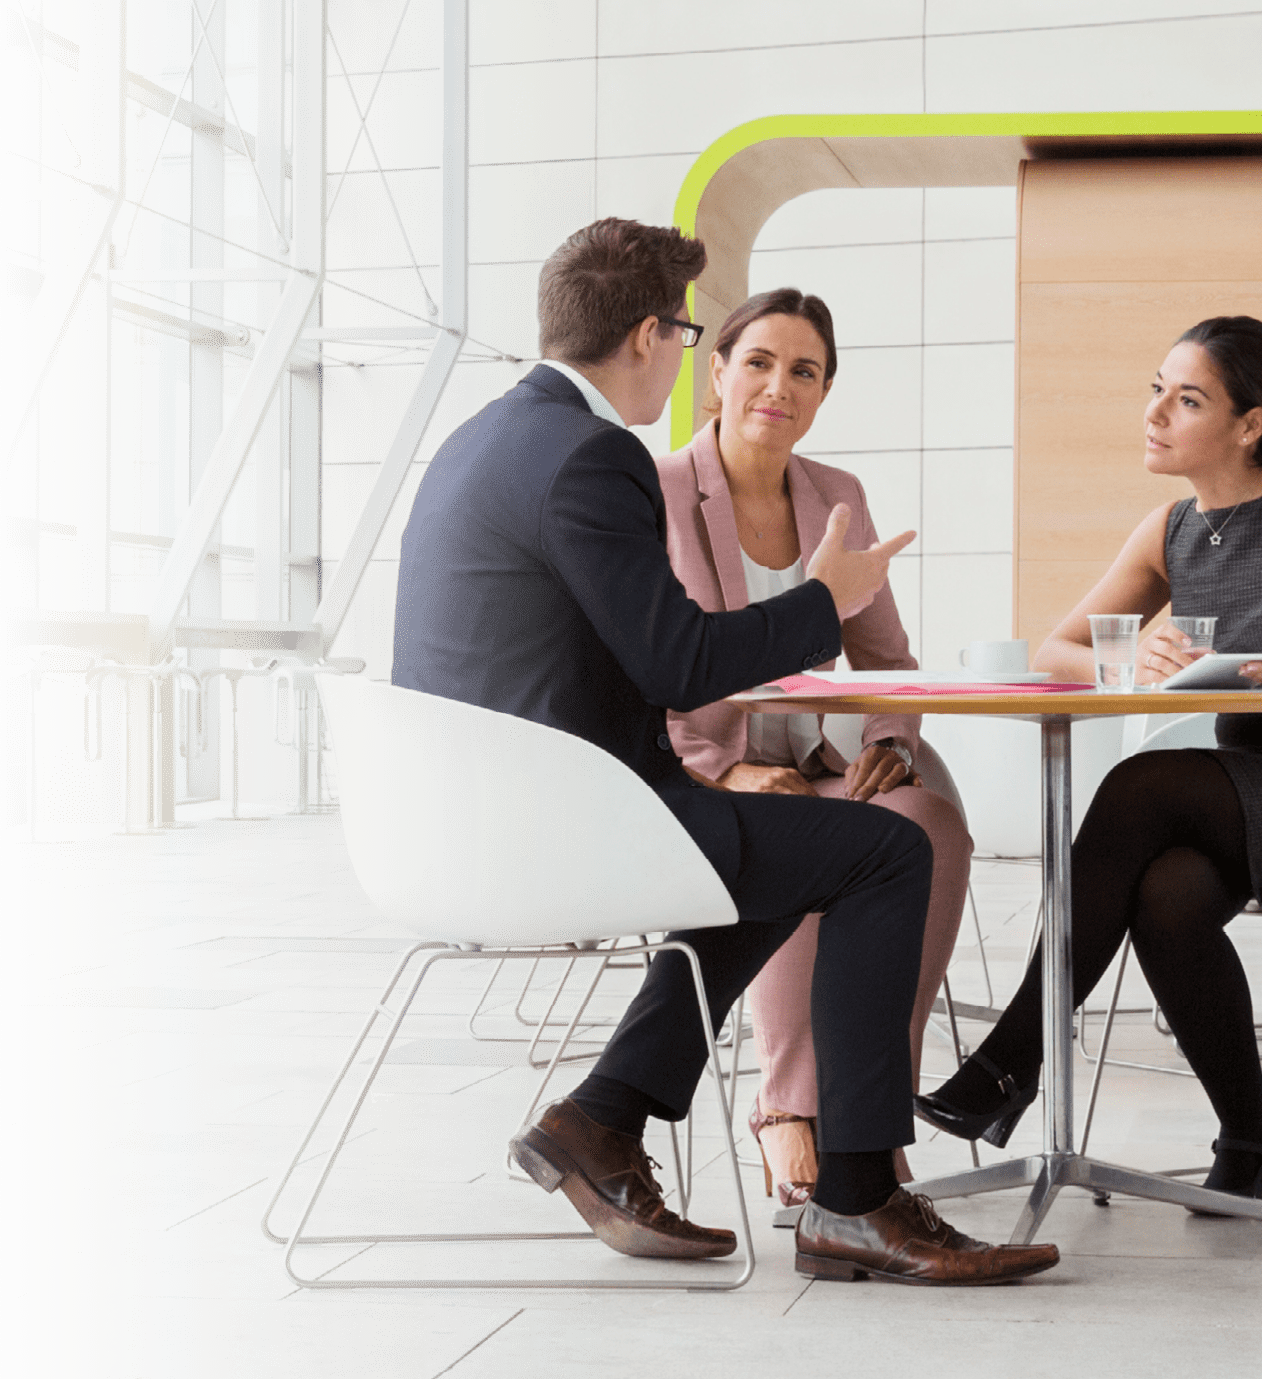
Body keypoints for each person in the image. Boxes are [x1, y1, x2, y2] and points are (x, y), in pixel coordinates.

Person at [392, 218, 1058, 1286]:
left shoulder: (491, 434)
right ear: (658, 336)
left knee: (788, 855)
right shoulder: (594, 455)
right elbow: (680, 660)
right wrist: (823, 601)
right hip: (555, 822)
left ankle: (601, 1120)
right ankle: (857, 1197)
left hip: (483, 814)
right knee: (885, 853)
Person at [915, 315, 1262, 1203]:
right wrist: (1134, 657)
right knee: (1166, 895)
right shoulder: (1172, 528)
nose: (1156, 413)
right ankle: (1252, 1145)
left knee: (1140, 784)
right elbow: (1058, 648)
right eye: (1157, 389)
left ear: (1249, 424)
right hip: (1247, 796)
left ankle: (1009, 1062)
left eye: (1186, 399)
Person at [656, 289, 972, 1204]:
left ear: (825, 392)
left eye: (805, 371)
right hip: (709, 766)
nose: (777, 386)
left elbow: (887, 656)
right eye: (757, 362)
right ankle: (794, 1111)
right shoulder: (662, 491)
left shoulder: (839, 496)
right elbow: (641, 664)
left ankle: (869, 1110)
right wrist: (723, 767)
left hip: (830, 754)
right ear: (716, 373)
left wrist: (890, 741)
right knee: (788, 825)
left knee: (929, 828)